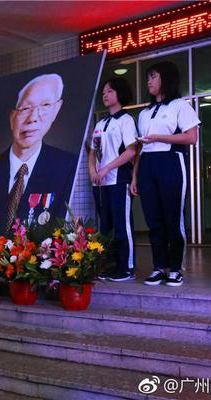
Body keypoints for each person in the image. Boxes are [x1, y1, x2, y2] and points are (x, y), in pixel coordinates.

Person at [0, 74, 76, 235]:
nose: (33, 118)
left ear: (56, 111)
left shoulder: (68, 167)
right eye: (25, 108)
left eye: (45, 105)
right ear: (12, 117)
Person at [131, 61, 200, 287]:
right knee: (154, 220)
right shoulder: (144, 113)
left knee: (173, 217)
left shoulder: (180, 106)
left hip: (171, 160)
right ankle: (159, 267)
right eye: (148, 77)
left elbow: (191, 137)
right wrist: (134, 177)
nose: (148, 81)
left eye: (153, 76)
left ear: (165, 79)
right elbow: (139, 149)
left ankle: (175, 268)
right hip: (148, 164)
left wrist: (160, 138)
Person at [89, 78, 138, 282]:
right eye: (103, 92)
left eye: (109, 91)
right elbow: (92, 151)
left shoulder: (126, 120)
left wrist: (107, 167)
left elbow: (131, 151)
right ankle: (109, 265)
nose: (105, 95)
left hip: (119, 180)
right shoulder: (100, 123)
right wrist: (92, 171)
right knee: (106, 226)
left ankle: (126, 267)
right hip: (100, 183)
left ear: (120, 93)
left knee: (121, 224)